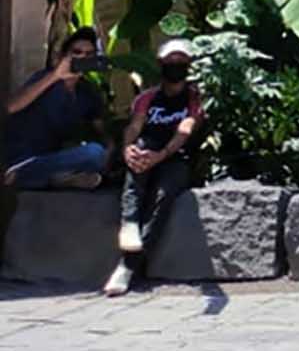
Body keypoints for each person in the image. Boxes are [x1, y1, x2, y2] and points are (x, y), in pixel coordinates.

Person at [103, 40, 204, 297]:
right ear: (160, 64)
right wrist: (128, 149)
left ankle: (128, 265)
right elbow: (135, 127)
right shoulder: (147, 98)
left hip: (175, 157)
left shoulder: (194, 99)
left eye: (181, 61)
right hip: (147, 150)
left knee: (162, 196)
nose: (175, 66)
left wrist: (162, 155)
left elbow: (185, 130)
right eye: (171, 61)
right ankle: (129, 224)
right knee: (135, 172)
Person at [3, 28, 108, 190]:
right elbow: (11, 107)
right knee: (94, 153)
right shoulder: (45, 78)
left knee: (96, 154)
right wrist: (56, 75)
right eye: (77, 52)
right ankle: (31, 176)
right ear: (65, 56)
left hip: (52, 159)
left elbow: (101, 129)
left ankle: (55, 179)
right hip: (21, 159)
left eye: (89, 54)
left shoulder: (87, 92)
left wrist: (113, 148)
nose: (82, 57)